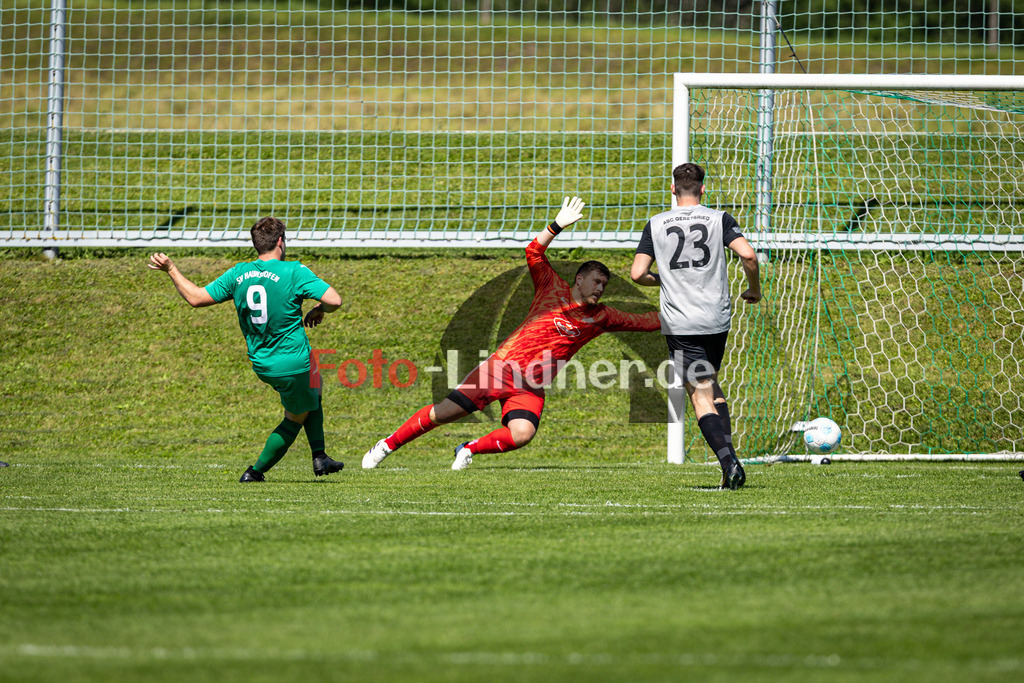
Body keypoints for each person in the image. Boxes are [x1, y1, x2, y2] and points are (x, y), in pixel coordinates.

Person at [361, 196, 661, 470]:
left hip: (530, 385)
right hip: (499, 369)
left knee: (522, 434)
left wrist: (685, 302)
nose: (600, 288)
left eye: (604, 285)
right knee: (441, 415)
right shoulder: (551, 287)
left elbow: (648, 321)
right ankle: (386, 445)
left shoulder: (602, 316)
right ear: (579, 279)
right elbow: (533, 250)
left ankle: (468, 449)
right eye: (596, 281)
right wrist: (557, 225)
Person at [148, 216, 345, 482]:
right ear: (280, 241)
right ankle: (255, 472)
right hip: (293, 361)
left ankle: (320, 455)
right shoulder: (294, 271)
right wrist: (320, 309)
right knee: (296, 416)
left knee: (314, 387)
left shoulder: (238, 274)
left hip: (262, 362)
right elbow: (334, 300)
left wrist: (171, 268)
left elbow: (195, 298)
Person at [630, 163, 762, 490]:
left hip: (681, 322)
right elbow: (748, 255)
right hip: (716, 318)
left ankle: (729, 463)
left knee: (699, 393)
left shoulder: (657, 223)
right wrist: (754, 288)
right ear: (703, 189)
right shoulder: (720, 219)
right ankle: (730, 462)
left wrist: (664, 279)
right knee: (711, 385)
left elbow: (637, 274)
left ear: (673, 190)